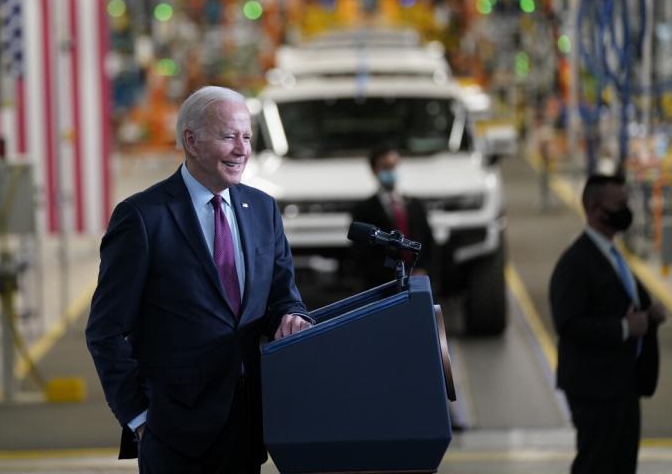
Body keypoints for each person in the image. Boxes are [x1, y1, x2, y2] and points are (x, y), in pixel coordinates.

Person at [86, 86, 313, 473]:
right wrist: (140, 419)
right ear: (191, 141)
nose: (242, 149)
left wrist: (292, 316)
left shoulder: (262, 209)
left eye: (246, 136)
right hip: (172, 435)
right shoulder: (142, 218)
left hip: (247, 429)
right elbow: (105, 331)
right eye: (228, 137)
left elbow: (281, 297)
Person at [549, 174, 666, 474]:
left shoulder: (614, 256)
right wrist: (625, 329)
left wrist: (649, 314)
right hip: (594, 387)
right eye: (620, 203)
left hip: (622, 383)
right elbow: (568, 324)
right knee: (597, 464)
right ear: (595, 208)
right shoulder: (574, 264)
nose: (626, 209)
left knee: (622, 464)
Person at [350, 146, 436, 291]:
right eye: (385, 167)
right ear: (374, 170)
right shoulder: (363, 210)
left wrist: (423, 270)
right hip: (382, 287)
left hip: (418, 283)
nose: (390, 171)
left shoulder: (415, 205)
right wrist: (392, 277)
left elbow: (429, 243)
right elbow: (361, 255)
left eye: (393, 166)